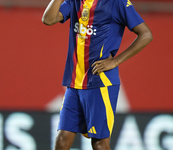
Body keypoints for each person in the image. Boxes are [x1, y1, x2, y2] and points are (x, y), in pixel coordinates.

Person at [42, 0, 153, 149]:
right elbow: (48, 20)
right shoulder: (75, 1)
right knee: (62, 139)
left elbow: (146, 34)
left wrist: (116, 61)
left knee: (99, 143)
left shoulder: (117, 3)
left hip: (101, 82)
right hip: (75, 82)